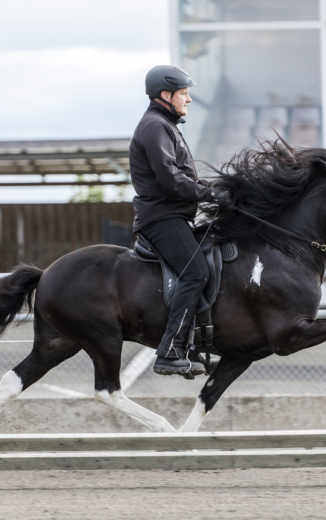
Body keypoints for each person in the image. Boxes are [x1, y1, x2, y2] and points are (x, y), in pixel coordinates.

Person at [129, 65, 232, 377]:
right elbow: (171, 178)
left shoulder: (166, 125)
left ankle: (196, 341)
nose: (188, 99)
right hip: (161, 218)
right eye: (184, 94)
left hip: (174, 215)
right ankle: (171, 350)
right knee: (196, 273)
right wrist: (210, 193)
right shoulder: (154, 127)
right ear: (166, 95)